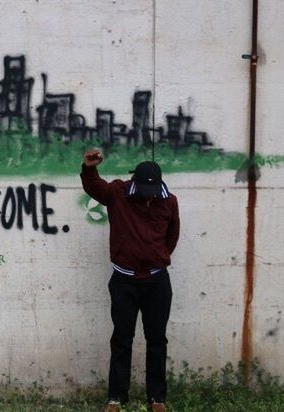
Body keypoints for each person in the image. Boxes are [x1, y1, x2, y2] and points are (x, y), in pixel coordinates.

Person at [79, 149, 180, 412]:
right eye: (145, 192)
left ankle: (156, 398)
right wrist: (89, 168)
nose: (150, 197)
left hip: (157, 283)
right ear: (135, 181)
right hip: (124, 281)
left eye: (154, 191)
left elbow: (172, 237)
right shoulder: (118, 193)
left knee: (157, 340)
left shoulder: (169, 202)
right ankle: (116, 398)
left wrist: (155, 257)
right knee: (122, 339)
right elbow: (94, 187)